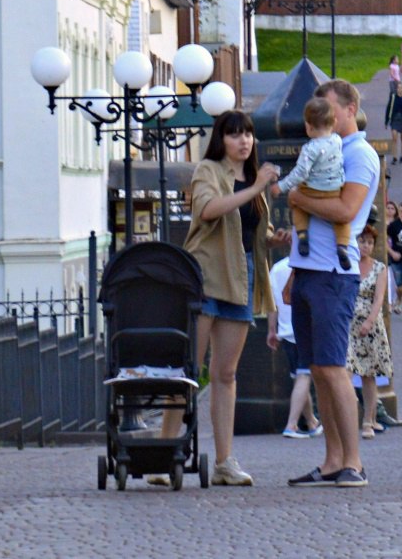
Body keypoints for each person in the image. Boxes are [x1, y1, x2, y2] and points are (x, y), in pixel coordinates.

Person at [152, 109, 278, 487]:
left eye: (249, 134)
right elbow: (207, 211)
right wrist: (255, 190)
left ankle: (225, 461)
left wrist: (273, 236)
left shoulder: (251, 178)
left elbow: (250, 228)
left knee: (225, 374)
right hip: (205, 277)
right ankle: (163, 454)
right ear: (221, 140)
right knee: (188, 371)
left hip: (240, 278)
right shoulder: (208, 171)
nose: (244, 141)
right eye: (235, 134)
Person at [284, 79, 378, 489]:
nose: (323, 116)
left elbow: (345, 209)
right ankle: (332, 460)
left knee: (335, 367)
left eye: (330, 108)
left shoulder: (360, 154)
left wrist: (298, 200)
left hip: (334, 274)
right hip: (309, 269)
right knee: (318, 367)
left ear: (349, 109)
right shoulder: (328, 150)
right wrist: (293, 271)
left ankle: (353, 462)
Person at [275, 96, 352, 269]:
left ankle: (302, 234)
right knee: (342, 222)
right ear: (334, 122)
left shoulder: (309, 148)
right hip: (334, 190)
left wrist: (282, 186)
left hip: (312, 190)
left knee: (298, 204)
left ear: (308, 127)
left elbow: (300, 173)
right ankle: (342, 246)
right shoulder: (338, 140)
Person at [266, 241, 321, 440]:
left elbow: (271, 303)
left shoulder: (277, 268)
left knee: (300, 378)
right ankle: (292, 424)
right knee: (304, 377)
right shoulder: (309, 267)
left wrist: (272, 330)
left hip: (286, 330)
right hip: (304, 329)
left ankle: (312, 422)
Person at [348, 223, 394, 442]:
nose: (365, 246)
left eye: (369, 242)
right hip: (348, 324)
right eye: (361, 241)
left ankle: (368, 420)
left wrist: (369, 321)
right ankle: (347, 419)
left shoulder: (380, 268)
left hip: (370, 326)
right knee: (346, 372)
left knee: (368, 374)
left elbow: (379, 299)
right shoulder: (347, 264)